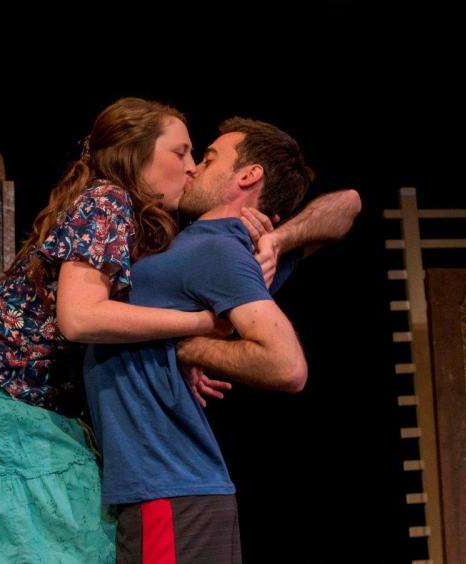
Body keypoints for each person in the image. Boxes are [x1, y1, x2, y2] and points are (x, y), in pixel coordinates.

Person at [0, 97, 233, 563]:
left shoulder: (125, 215)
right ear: (135, 154)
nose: (191, 168)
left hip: (10, 401)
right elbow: (82, 317)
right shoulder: (109, 200)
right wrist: (201, 324)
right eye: (181, 152)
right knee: (74, 542)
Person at [83, 117, 361, 563]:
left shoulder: (216, 251)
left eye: (209, 159)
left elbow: (286, 366)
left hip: (169, 492)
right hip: (175, 492)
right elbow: (350, 203)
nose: (193, 168)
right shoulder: (222, 248)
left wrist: (184, 347)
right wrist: (279, 242)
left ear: (248, 176)